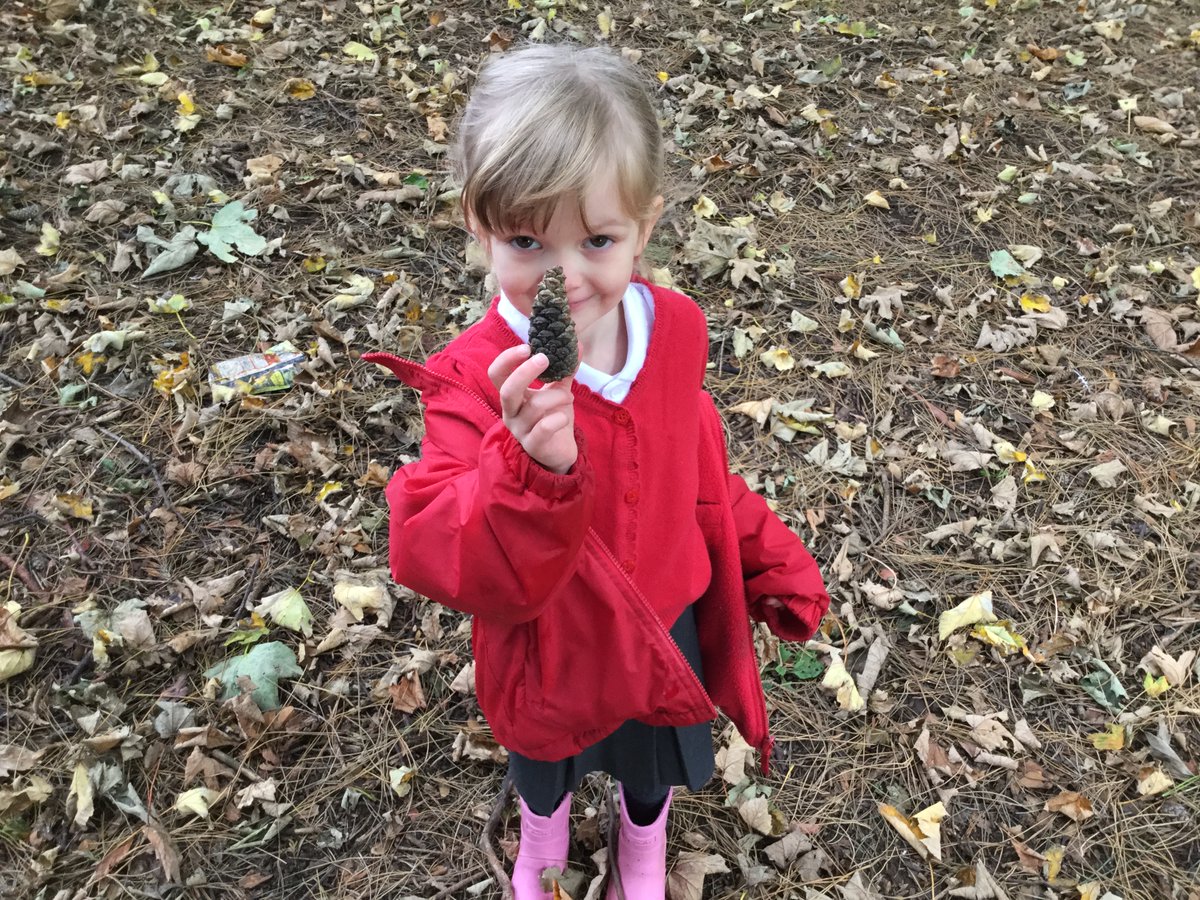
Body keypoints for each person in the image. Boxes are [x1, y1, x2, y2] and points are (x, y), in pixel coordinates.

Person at [362, 43, 830, 900]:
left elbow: (697, 471)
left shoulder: (676, 330)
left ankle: (640, 843)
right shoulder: (474, 378)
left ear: (645, 227)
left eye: (599, 240)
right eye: (528, 239)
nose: (564, 278)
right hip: (553, 638)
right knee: (547, 763)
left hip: (665, 610)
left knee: (651, 759)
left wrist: (769, 558)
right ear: (478, 221)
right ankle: (542, 842)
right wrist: (527, 466)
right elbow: (437, 550)